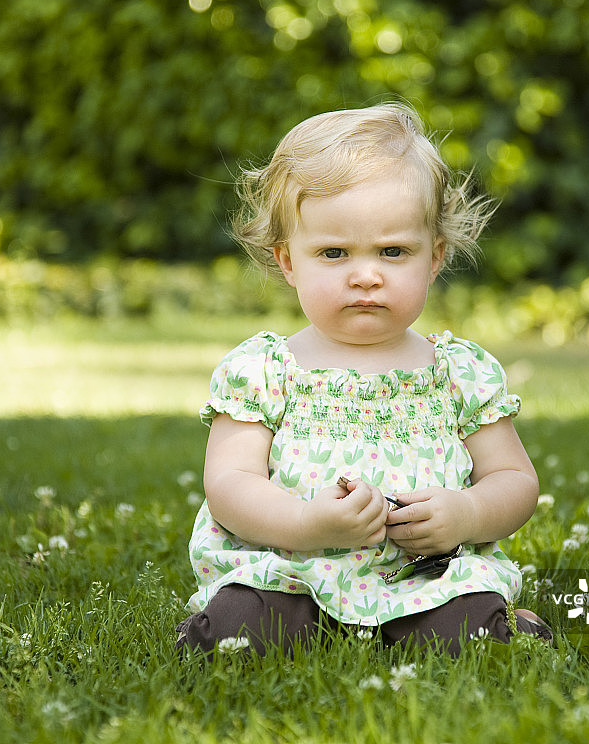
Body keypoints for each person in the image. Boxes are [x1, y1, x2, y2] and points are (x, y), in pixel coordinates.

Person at [176, 103, 552, 657]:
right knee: (239, 630)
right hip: (292, 572)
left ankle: (499, 622)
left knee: (469, 634)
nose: (366, 274)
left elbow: (515, 480)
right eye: (333, 253)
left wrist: (466, 513)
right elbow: (229, 485)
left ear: (434, 258)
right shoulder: (263, 369)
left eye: (393, 251)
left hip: (425, 578)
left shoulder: (457, 372)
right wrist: (306, 522)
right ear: (288, 262)